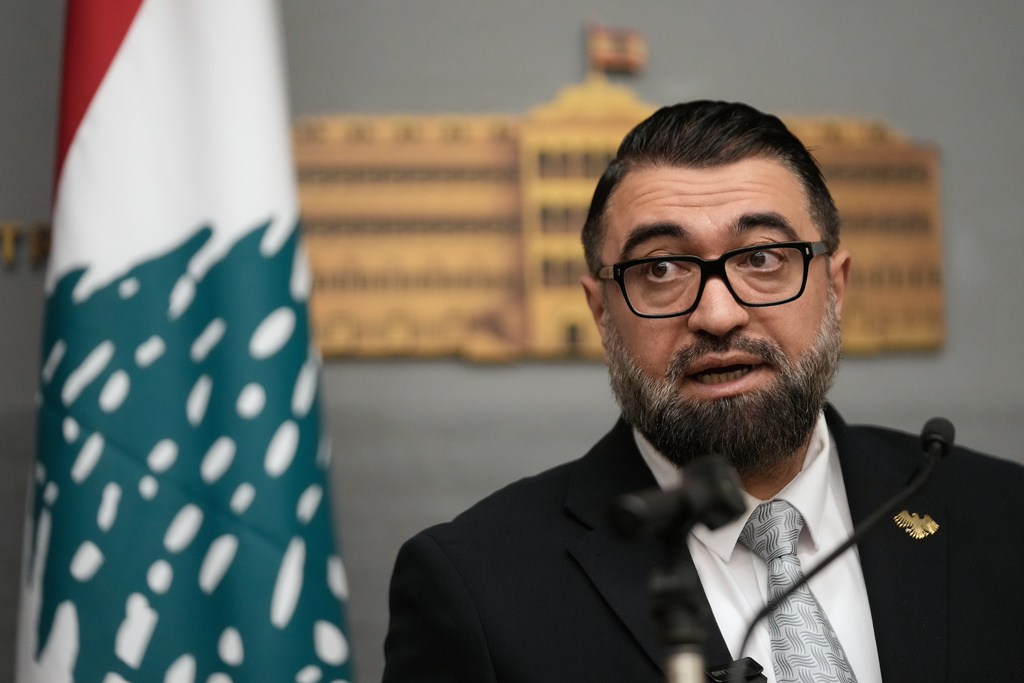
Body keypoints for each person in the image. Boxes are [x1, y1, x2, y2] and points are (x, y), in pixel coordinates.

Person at [382, 101, 1024, 683]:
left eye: (762, 259)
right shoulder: (477, 585)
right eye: (661, 268)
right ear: (602, 313)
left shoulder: (1000, 516)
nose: (718, 315)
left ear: (835, 286)